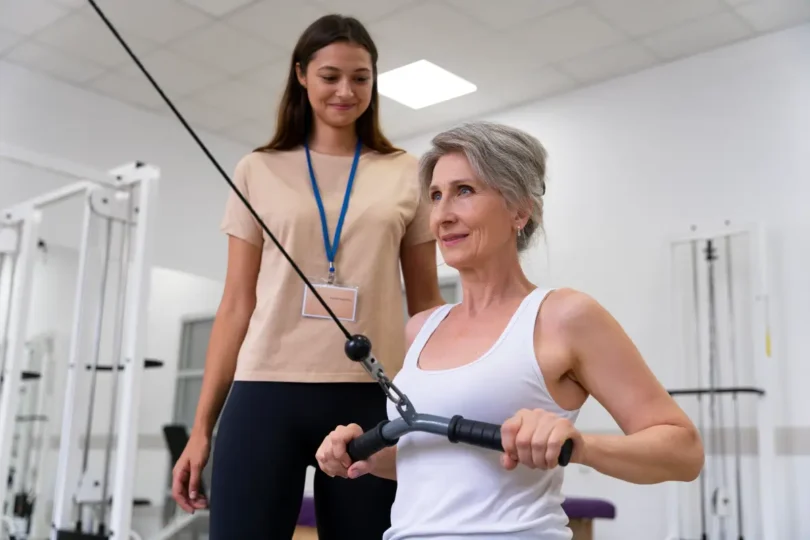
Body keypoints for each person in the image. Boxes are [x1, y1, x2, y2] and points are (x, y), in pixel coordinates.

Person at [316, 121, 706, 539]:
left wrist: (580, 445)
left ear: (520, 209)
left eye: (464, 191)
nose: (443, 215)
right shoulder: (421, 328)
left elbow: (683, 451)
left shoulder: (564, 316)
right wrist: (372, 455)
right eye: (435, 196)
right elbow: (446, 461)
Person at [169, 14, 444, 540]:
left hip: (370, 394)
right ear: (301, 75)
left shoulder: (406, 170)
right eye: (330, 75)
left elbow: (427, 303)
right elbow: (234, 304)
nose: (346, 90)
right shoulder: (258, 168)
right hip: (264, 391)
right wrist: (200, 428)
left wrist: (434, 400)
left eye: (361, 78)